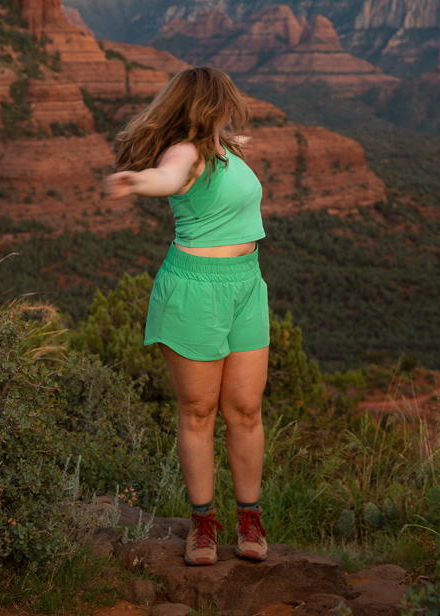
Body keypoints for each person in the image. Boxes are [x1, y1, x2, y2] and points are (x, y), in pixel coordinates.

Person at [104, 66, 269, 567]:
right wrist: (140, 181)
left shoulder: (224, 146)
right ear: (208, 104)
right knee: (198, 412)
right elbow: (169, 175)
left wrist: (233, 137)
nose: (232, 108)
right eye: (225, 101)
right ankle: (202, 524)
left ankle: (249, 518)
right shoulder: (187, 152)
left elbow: (230, 141)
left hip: (247, 285)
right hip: (196, 290)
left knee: (244, 411)